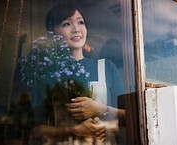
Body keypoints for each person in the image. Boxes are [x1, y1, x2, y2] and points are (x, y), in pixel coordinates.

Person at [30, 1, 125, 145]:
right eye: (66, 24)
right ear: (53, 33)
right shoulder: (47, 74)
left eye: (80, 22)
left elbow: (129, 118)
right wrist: (74, 130)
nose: (76, 29)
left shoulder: (106, 67)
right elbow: (34, 132)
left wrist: (101, 109)